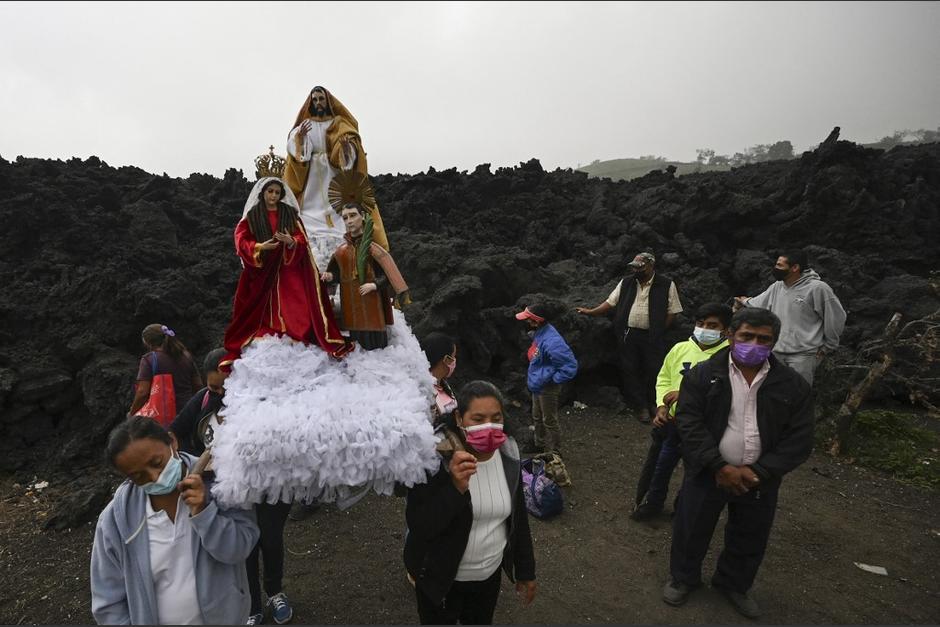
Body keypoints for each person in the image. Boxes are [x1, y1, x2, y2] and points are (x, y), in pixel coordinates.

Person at [663, 308, 814, 619]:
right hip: (708, 472)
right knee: (691, 528)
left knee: (751, 533)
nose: (754, 344)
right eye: (747, 336)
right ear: (731, 335)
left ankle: (734, 584)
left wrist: (760, 471)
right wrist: (719, 466)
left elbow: (799, 438)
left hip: (759, 478)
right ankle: (683, 578)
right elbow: (689, 424)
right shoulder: (702, 376)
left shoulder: (792, 385)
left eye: (763, 339)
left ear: (774, 343)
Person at [90, 415, 259, 625]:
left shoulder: (222, 484)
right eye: (139, 476)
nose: (154, 477)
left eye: (157, 463)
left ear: (172, 441)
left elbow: (238, 549)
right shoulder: (115, 520)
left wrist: (204, 513)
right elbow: (108, 602)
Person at [404, 380, 537, 625]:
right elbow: (420, 526)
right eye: (478, 419)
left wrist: (526, 570)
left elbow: (517, 517)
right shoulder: (435, 460)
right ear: (459, 418)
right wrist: (454, 488)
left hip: (488, 578)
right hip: (441, 581)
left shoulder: (509, 455)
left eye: (495, 417)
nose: (489, 426)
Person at [220, 177, 353, 370]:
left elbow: (302, 239)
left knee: (297, 306)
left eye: (276, 192)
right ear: (263, 193)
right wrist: (259, 247)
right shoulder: (253, 215)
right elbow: (241, 240)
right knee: (259, 308)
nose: (273, 196)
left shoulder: (290, 214)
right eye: (270, 191)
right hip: (263, 270)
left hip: (289, 268)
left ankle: (296, 333)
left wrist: (291, 241)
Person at [631, 303, 731, 521]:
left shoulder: (727, 358)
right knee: (661, 466)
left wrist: (685, 394)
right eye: (700, 323)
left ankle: (682, 508)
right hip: (674, 424)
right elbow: (664, 378)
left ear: (726, 330)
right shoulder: (680, 348)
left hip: (702, 428)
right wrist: (661, 407)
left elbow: (726, 395)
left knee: (694, 472)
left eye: (712, 325)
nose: (704, 329)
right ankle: (653, 504)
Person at [283, 86, 389, 270]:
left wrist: (347, 149)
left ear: (328, 101)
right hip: (312, 177)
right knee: (308, 208)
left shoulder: (339, 123)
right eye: (315, 100)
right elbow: (297, 150)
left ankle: (344, 231)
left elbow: (349, 144)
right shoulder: (304, 124)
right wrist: (300, 137)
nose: (318, 103)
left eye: (321, 99)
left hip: (333, 174)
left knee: (340, 206)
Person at [576, 251, 683, 423]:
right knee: (630, 369)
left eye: (640, 268)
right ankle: (640, 407)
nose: (636, 271)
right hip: (628, 334)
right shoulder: (626, 282)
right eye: (634, 268)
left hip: (653, 336)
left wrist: (659, 329)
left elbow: (673, 311)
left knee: (655, 370)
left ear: (650, 265)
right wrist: (591, 312)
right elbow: (611, 302)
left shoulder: (666, 284)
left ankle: (654, 404)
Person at [735, 249, 846, 385]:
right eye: (777, 264)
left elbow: (835, 317)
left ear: (795, 268)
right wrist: (744, 301)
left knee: (799, 392)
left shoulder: (818, 288)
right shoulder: (777, 286)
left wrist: (829, 346)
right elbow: (759, 303)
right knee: (773, 390)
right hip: (776, 351)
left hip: (803, 355)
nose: (775, 268)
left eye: (780, 265)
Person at [322, 202, 410, 350]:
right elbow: (338, 274)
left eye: (353, 215)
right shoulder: (341, 251)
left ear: (362, 216)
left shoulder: (374, 250)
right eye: (345, 218)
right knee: (356, 344)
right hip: (351, 307)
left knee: (375, 345)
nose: (349, 221)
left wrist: (374, 285)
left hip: (372, 308)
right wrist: (330, 276)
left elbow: (388, 275)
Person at [515, 304, 578, 454]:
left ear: (536, 321)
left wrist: (552, 380)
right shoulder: (541, 333)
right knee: (537, 416)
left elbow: (569, 366)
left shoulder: (552, 341)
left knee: (549, 420)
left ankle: (556, 451)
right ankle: (539, 444)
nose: (527, 323)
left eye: (529, 320)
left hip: (547, 387)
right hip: (538, 384)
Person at [129, 324, 202, 417]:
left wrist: (132, 413)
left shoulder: (149, 359)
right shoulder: (186, 356)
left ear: (148, 343)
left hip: (162, 414)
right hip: (187, 413)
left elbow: (142, 392)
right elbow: (198, 385)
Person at [170, 348, 227, 457]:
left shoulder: (252, 408)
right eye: (214, 387)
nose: (221, 393)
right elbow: (176, 430)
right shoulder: (203, 398)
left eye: (226, 388)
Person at [420, 332, 459, 425]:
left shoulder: (444, 385)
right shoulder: (423, 391)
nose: (454, 362)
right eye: (453, 357)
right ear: (446, 360)